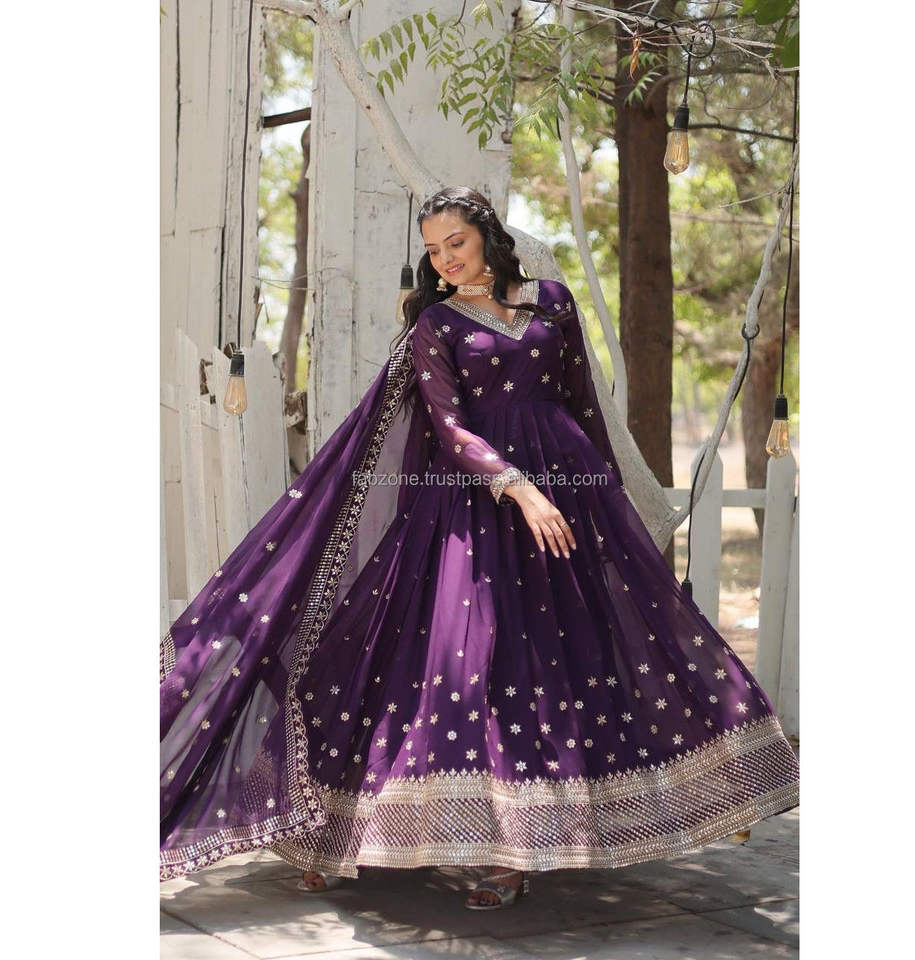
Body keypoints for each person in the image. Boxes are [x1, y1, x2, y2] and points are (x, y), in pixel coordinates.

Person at [161, 185, 800, 911]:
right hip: (469, 507)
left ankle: (519, 848)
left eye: (456, 243)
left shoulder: (552, 303)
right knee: (460, 663)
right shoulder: (436, 323)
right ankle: (344, 829)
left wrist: (604, 497)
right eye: (433, 250)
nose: (445, 259)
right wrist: (518, 489)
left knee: (555, 662)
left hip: (565, 496)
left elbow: (582, 402)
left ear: (490, 237)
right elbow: (451, 427)